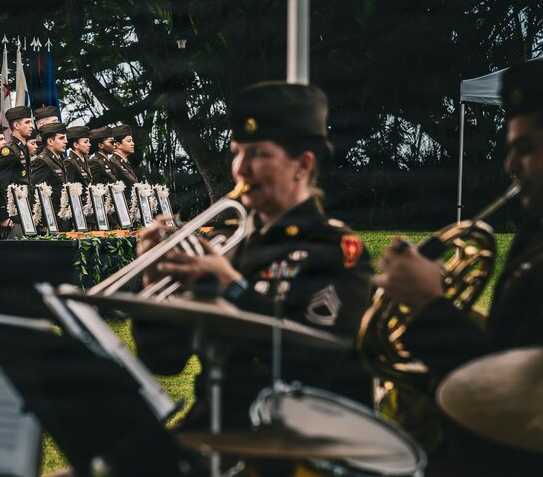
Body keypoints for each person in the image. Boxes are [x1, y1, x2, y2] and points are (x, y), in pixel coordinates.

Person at [133, 81, 374, 433]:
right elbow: (164, 361)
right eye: (237, 153)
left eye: (258, 154)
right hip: (209, 428)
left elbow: (316, 363)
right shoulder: (227, 244)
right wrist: (153, 282)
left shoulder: (332, 249)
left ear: (302, 165)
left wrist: (232, 287)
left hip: (287, 439)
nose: (241, 169)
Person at [376, 59, 543, 474]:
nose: (509, 166)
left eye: (525, 149)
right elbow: (510, 352)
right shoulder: (534, 232)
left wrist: (430, 306)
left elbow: (516, 396)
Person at [0, 106, 35, 235]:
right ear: (16, 125)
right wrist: (4, 215)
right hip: (14, 213)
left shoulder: (23, 148)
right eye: (27, 122)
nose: (31, 126)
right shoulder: (10, 150)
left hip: (25, 210)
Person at [30, 122, 69, 232]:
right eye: (61, 138)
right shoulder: (42, 160)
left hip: (62, 216)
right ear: (50, 141)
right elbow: (37, 192)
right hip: (51, 219)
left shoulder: (59, 158)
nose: (66, 141)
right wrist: (43, 221)